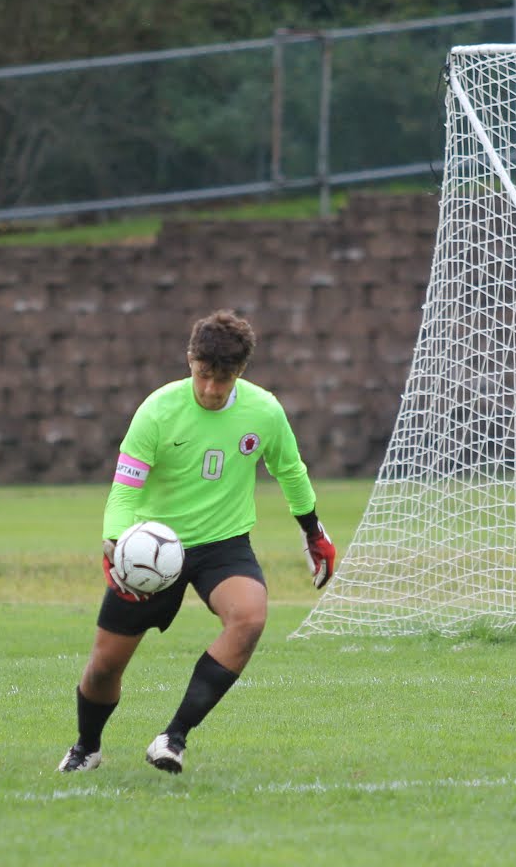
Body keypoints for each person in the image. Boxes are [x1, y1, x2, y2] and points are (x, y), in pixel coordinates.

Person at [58, 309, 336, 775]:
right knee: (105, 667)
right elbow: (126, 487)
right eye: (204, 375)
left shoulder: (264, 411)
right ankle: (87, 746)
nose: (211, 388)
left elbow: (290, 470)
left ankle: (173, 737)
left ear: (241, 371)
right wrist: (113, 542)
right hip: (151, 551)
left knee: (249, 619)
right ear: (190, 360)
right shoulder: (158, 410)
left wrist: (313, 531)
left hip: (222, 544)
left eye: (223, 379)